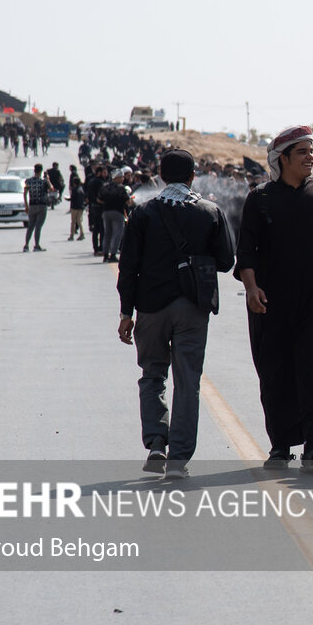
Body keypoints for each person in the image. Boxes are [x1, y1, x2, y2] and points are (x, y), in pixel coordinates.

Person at [234, 126, 313, 473]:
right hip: (270, 305)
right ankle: (280, 446)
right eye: (302, 151)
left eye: (311, 151)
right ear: (282, 158)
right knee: (276, 373)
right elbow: (246, 253)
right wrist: (252, 289)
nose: (310, 157)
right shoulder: (260, 198)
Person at [117, 150, 235, 480]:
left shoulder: (143, 212)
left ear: (160, 175)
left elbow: (128, 267)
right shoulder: (209, 211)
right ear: (193, 175)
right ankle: (179, 460)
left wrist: (126, 312)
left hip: (151, 307)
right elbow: (226, 261)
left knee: (153, 374)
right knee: (188, 381)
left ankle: (156, 442)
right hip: (192, 307)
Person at [98, 167, 132, 263]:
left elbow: (99, 199)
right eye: (121, 177)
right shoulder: (121, 188)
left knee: (107, 233)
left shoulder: (105, 187)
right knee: (117, 234)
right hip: (118, 212)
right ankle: (113, 254)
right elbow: (128, 201)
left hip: (105, 212)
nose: (122, 179)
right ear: (117, 178)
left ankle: (105, 255)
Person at [22, 163, 52, 252]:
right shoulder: (43, 181)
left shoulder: (28, 181)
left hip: (32, 205)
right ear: (41, 171)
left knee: (30, 226)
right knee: (38, 226)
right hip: (41, 205)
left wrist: (26, 206)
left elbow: (25, 193)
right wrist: (48, 179)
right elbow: (51, 189)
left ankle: (26, 245)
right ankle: (36, 245)